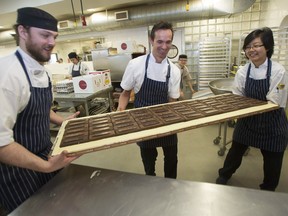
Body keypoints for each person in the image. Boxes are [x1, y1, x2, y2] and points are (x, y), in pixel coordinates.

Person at [0, 7, 81, 213]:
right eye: (44, 35)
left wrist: (63, 122)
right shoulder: (8, 75)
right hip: (17, 171)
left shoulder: (41, 72)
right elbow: (1, 144)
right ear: (23, 32)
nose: (52, 42)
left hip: (46, 153)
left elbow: (40, 109)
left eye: (54, 36)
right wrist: (46, 166)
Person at [216, 27, 288, 191]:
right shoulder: (243, 71)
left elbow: (275, 102)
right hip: (248, 122)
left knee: (272, 161)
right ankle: (224, 175)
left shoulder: (278, 71)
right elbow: (237, 95)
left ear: (267, 47)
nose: (251, 50)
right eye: (248, 47)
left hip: (272, 124)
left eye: (256, 45)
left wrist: (244, 105)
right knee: (235, 152)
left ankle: (268, 188)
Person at [117, 21, 181, 179]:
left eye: (168, 42)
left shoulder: (174, 70)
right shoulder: (135, 65)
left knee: (172, 158)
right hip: (143, 122)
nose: (164, 47)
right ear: (151, 40)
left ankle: (171, 185)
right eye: (160, 41)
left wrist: (172, 121)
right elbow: (125, 93)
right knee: (148, 159)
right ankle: (150, 181)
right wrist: (120, 112)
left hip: (165, 121)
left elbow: (172, 100)